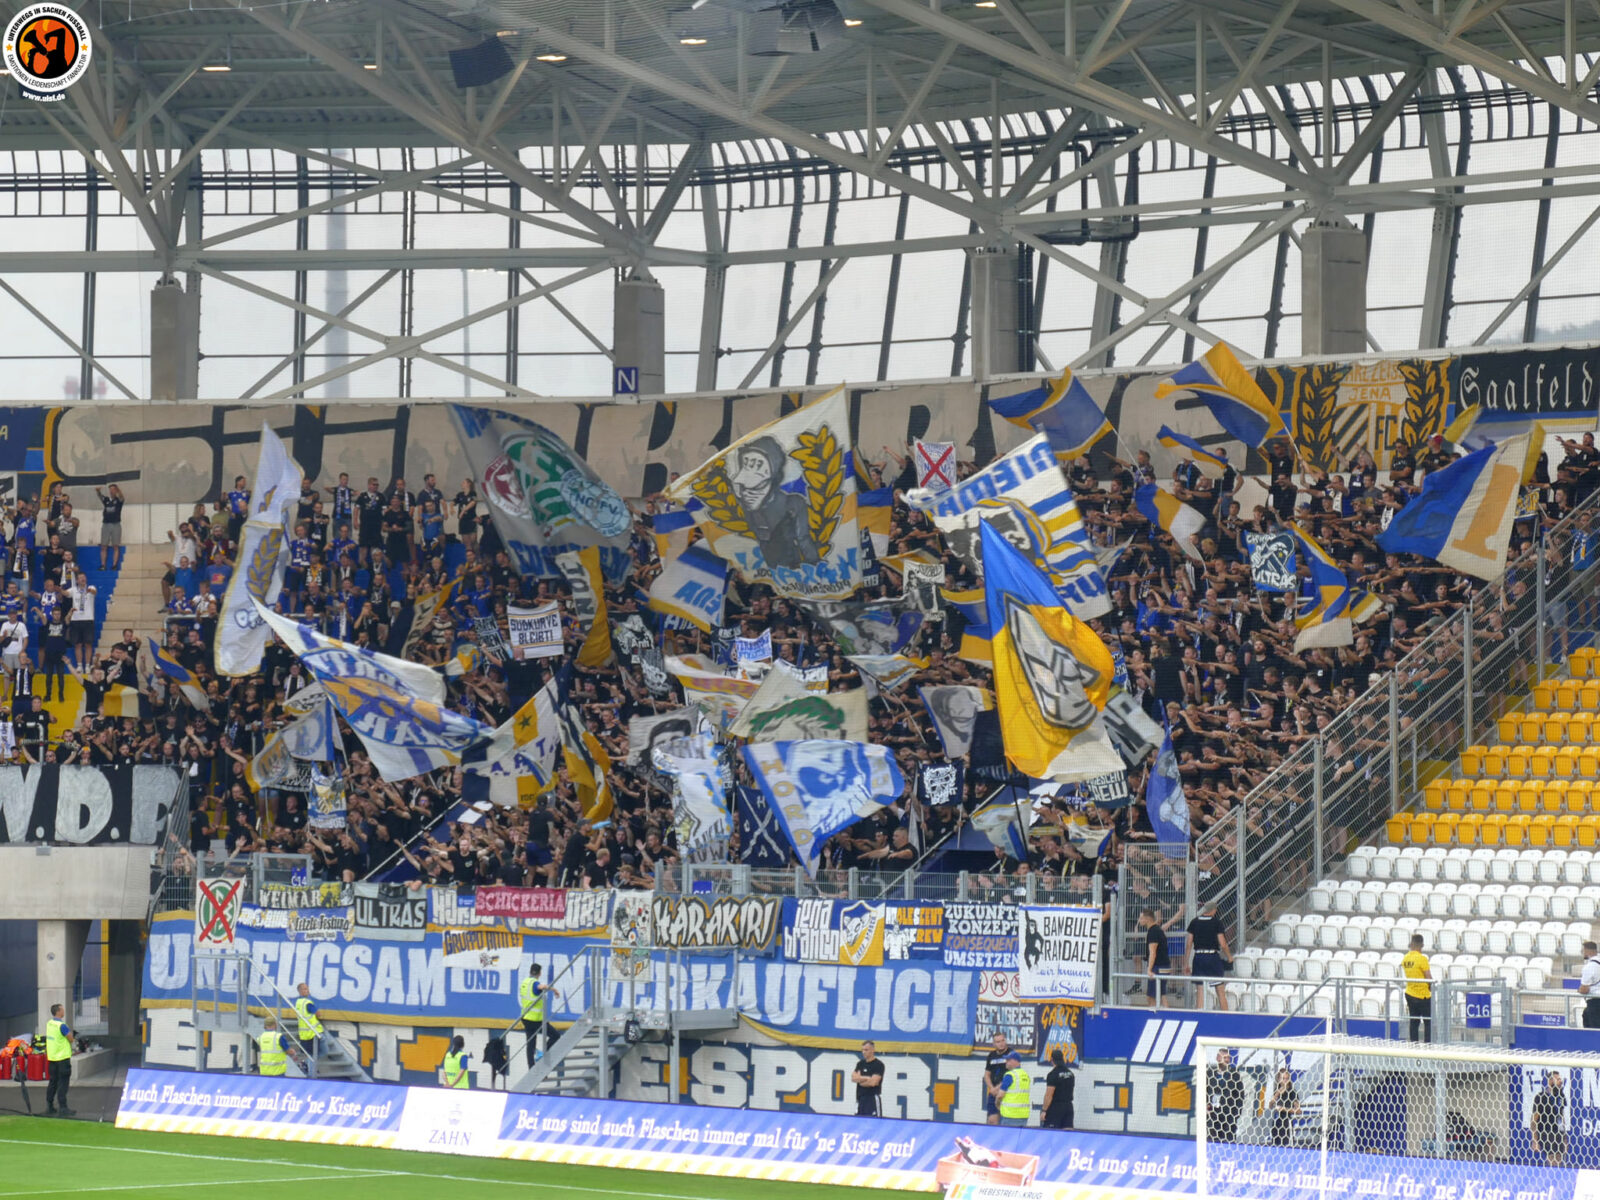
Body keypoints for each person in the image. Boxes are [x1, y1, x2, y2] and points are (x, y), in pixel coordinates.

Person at [1186, 900, 1233, 1011]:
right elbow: (1223, 944)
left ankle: (1199, 1015)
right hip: (1212, 957)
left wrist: (1186, 963)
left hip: (1198, 957)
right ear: (1214, 910)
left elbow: (1188, 944)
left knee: (1200, 990)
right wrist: (1229, 956)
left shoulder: (1194, 922)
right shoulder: (1216, 922)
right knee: (1220, 990)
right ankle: (1225, 1016)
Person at [518, 964, 559, 1068]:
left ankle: (531, 1067)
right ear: (540, 973)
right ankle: (543, 1054)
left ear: (530, 971)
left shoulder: (524, 982)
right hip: (536, 1020)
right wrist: (554, 990)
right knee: (555, 1036)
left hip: (526, 1018)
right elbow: (541, 986)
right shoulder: (534, 983)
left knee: (531, 1043)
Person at [1207, 1049, 1246, 1143]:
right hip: (1212, 1114)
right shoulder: (1209, 1073)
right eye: (1224, 1057)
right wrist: (1206, 1106)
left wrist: (1236, 1114)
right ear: (1218, 1058)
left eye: (1228, 1058)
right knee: (1212, 1141)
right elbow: (1205, 1091)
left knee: (1228, 1141)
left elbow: (1240, 1095)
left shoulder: (1234, 1074)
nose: (1227, 1060)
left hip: (1229, 1116)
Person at [44, 1002, 74, 1117]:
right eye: (62, 1009)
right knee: (63, 1083)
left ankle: (50, 1105)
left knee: (53, 1082)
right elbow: (70, 1039)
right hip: (62, 1058)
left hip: (52, 1058)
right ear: (58, 1012)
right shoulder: (62, 1025)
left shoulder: (50, 1024)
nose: (63, 1011)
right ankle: (63, 1107)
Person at [1531, 1071, 1566, 1166]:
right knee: (1552, 1161)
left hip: (1558, 1133)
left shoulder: (1561, 1096)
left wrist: (1564, 1137)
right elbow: (1534, 1120)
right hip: (1546, 1133)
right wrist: (1535, 1139)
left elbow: (1561, 1117)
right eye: (1558, 1079)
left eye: (1560, 1079)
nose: (1561, 1081)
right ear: (1551, 1081)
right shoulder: (1541, 1097)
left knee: (1559, 1160)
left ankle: (1558, 1179)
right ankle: (1551, 1179)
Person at [1402, 934, 1432, 1043]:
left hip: (1410, 993)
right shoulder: (1422, 958)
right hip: (1423, 995)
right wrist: (1432, 987)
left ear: (1412, 943)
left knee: (1414, 1021)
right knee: (1428, 1022)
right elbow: (1428, 977)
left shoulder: (1405, 958)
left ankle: (1414, 1045)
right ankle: (1428, 1045)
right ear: (1422, 945)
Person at [990, 1051, 1031, 1128]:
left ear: (1015, 1061)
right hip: (1023, 1115)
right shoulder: (1025, 1075)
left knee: (1008, 1139)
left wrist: (997, 1103)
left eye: (1008, 1060)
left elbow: (1000, 1095)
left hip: (1010, 1115)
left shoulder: (1010, 1075)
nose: (1006, 1062)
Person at [292, 982, 323, 1075]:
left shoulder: (298, 1002)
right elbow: (318, 1014)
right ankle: (310, 1070)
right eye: (305, 989)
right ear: (300, 991)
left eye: (307, 988)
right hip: (312, 1032)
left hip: (304, 1032)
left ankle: (306, 1064)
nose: (307, 991)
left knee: (311, 1054)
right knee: (319, 1051)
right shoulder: (307, 1002)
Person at [1142, 909, 1171, 1006]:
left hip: (1159, 967)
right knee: (1162, 994)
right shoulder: (1157, 930)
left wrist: (1149, 969)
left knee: (1151, 996)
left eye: (1141, 918)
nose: (1139, 920)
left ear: (1147, 919)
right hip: (1164, 966)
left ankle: (1155, 1015)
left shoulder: (1153, 931)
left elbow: (1153, 952)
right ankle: (1167, 1014)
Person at [1040, 1048, 1075, 1130]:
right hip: (1068, 1106)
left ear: (1052, 1059)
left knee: (1051, 1133)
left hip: (1056, 1108)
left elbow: (1049, 1095)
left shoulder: (1053, 1074)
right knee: (1067, 1133)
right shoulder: (1071, 1074)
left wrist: (1044, 1110)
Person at [982, 1032, 1011, 1125]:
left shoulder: (1011, 1054)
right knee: (992, 1121)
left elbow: (1012, 1076)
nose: (1001, 1043)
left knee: (1006, 1122)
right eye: (998, 1042)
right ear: (994, 1044)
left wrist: (998, 1088)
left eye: (1003, 1040)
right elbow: (987, 1075)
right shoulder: (991, 1055)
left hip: (1006, 1092)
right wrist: (991, 1088)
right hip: (993, 1092)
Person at [852, 1040, 884, 1117]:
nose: (863, 1052)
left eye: (866, 1050)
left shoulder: (878, 1065)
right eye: (862, 1050)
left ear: (873, 1050)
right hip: (860, 1098)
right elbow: (854, 1078)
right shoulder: (860, 1064)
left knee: (874, 1123)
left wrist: (861, 1079)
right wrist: (867, 1078)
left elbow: (873, 1082)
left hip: (872, 1099)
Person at [1268, 1066, 1299, 1146]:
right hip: (1276, 1123)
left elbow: (1298, 1110)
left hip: (1286, 1124)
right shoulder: (1276, 1090)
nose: (1285, 1081)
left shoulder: (1292, 1092)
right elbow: (1270, 1106)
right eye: (1283, 1078)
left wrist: (1284, 1109)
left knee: (1286, 1147)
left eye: (1287, 1078)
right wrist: (1277, 1094)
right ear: (1278, 1079)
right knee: (1275, 1146)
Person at [1578, 941, 1600, 1029]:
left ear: (1588, 951)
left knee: (1594, 1029)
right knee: (1585, 1015)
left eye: (1584, 950)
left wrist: (1579, 990)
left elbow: (1584, 989)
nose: (1583, 952)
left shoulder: (1589, 967)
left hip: (1595, 1002)